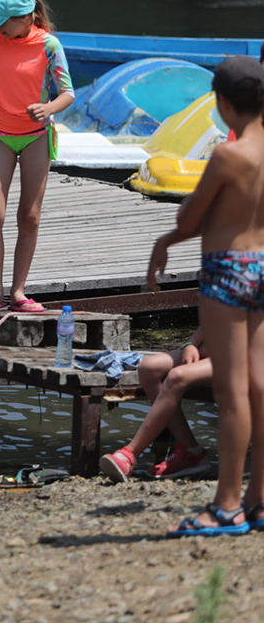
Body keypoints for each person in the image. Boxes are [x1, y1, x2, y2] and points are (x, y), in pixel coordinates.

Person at [148, 55, 264, 537]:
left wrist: (164, 244)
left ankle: (225, 506)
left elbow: (189, 219)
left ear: (221, 102)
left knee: (232, 393)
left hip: (227, 270)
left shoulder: (228, 155)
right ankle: (259, 502)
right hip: (262, 266)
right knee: (260, 387)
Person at [0, 0, 74, 314]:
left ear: (27, 18)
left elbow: (68, 92)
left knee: (29, 217)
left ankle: (18, 292)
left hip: (36, 136)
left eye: (4, 20)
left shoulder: (49, 45)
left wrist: (49, 108)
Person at [99, 329, 213, 483]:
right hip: (212, 347)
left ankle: (130, 454)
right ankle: (190, 451)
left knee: (176, 376)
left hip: (237, 355)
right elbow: (214, 316)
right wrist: (192, 343)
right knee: (148, 368)